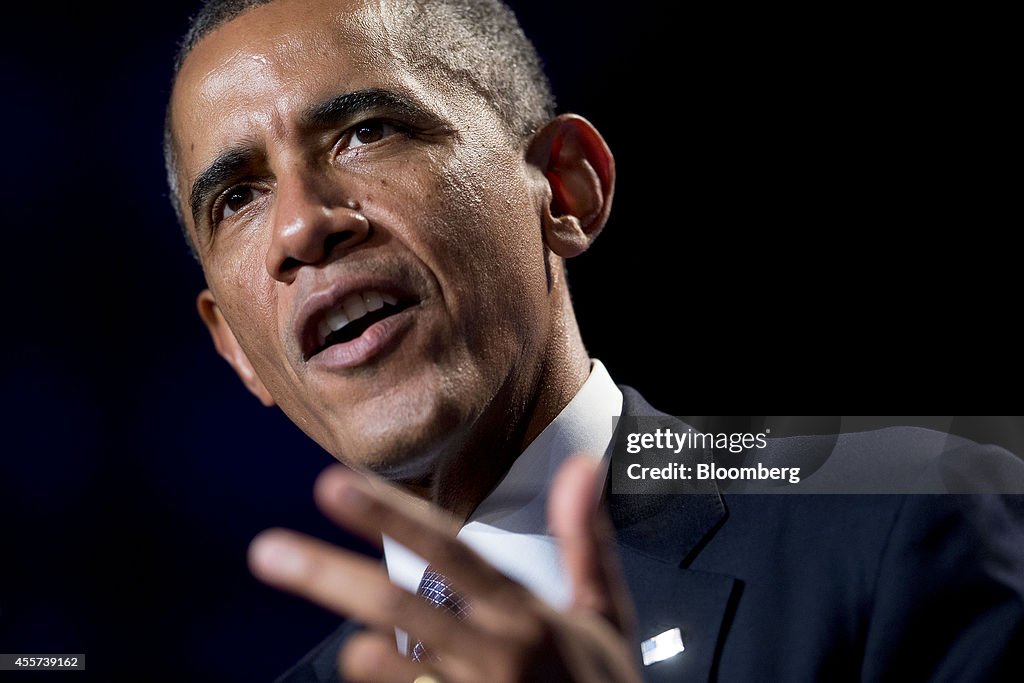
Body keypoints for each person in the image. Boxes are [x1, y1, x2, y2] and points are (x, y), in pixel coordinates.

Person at [163, 1, 1024, 681]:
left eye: (368, 130)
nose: (302, 225)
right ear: (236, 349)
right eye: (236, 196)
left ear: (566, 190)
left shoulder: (901, 519)